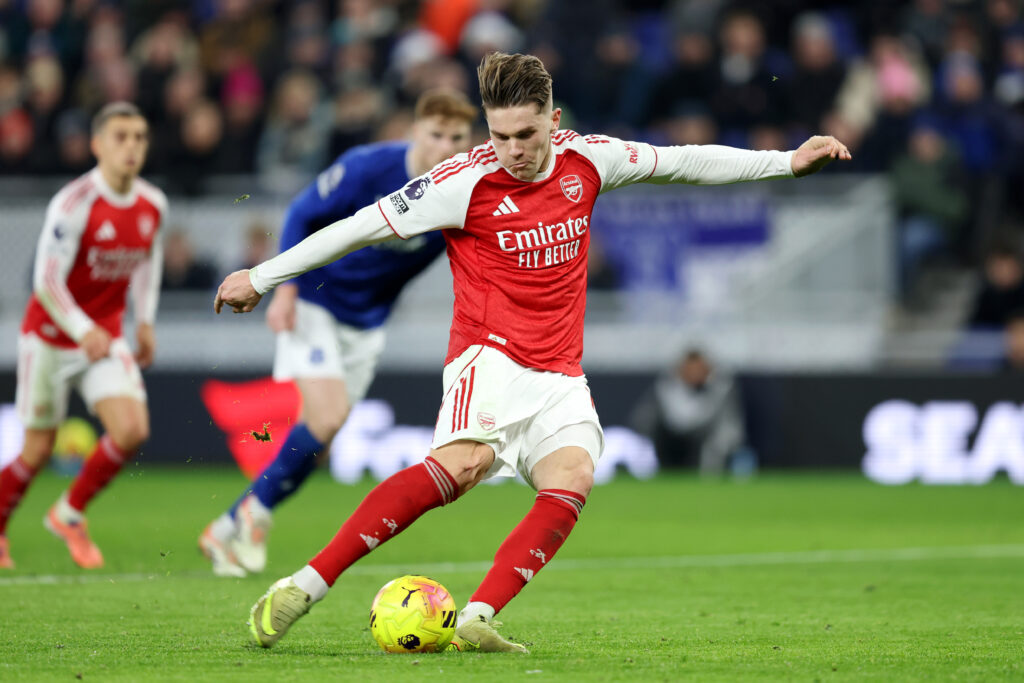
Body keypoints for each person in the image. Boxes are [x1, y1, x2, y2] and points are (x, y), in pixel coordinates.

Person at [214, 52, 850, 653]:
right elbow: (359, 227)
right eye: (499, 134)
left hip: (559, 371)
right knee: (460, 468)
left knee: (572, 476)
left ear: (555, 120)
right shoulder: (461, 182)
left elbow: (685, 160)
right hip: (486, 357)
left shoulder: (592, 160)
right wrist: (263, 276)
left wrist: (786, 162)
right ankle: (303, 585)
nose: (512, 150)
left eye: (526, 133)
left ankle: (476, 618)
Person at [198, 89, 478, 578]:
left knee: (320, 438)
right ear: (414, 131)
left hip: (368, 324)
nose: (445, 146)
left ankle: (226, 525)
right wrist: (282, 289)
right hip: (315, 300)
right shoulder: (367, 167)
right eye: (436, 134)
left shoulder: (461, 192)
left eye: (457, 137)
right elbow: (302, 214)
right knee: (325, 418)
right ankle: (255, 515)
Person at [0, 102, 166, 570]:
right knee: (35, 451)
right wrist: (81, 328)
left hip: (104, 337)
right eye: (120, 136)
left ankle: (69, 513)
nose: (131, 146)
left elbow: (148, 263)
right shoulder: (74, 203)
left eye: (139, 137)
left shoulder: (153, 203)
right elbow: (45, 281)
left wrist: (146, 320)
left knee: (132, 429)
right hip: (50, 338)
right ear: (97, 145)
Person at [632, 347, 750, 475]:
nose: (695, 373)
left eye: (698, 369)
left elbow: (730, 424)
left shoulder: (722, 388)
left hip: (707, 438)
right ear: (682, 369)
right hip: (672, 438)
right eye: (691, 368)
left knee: (716, 445)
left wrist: (727, 442)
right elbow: (652, 419)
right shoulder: (666, 387)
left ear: (707, 369)